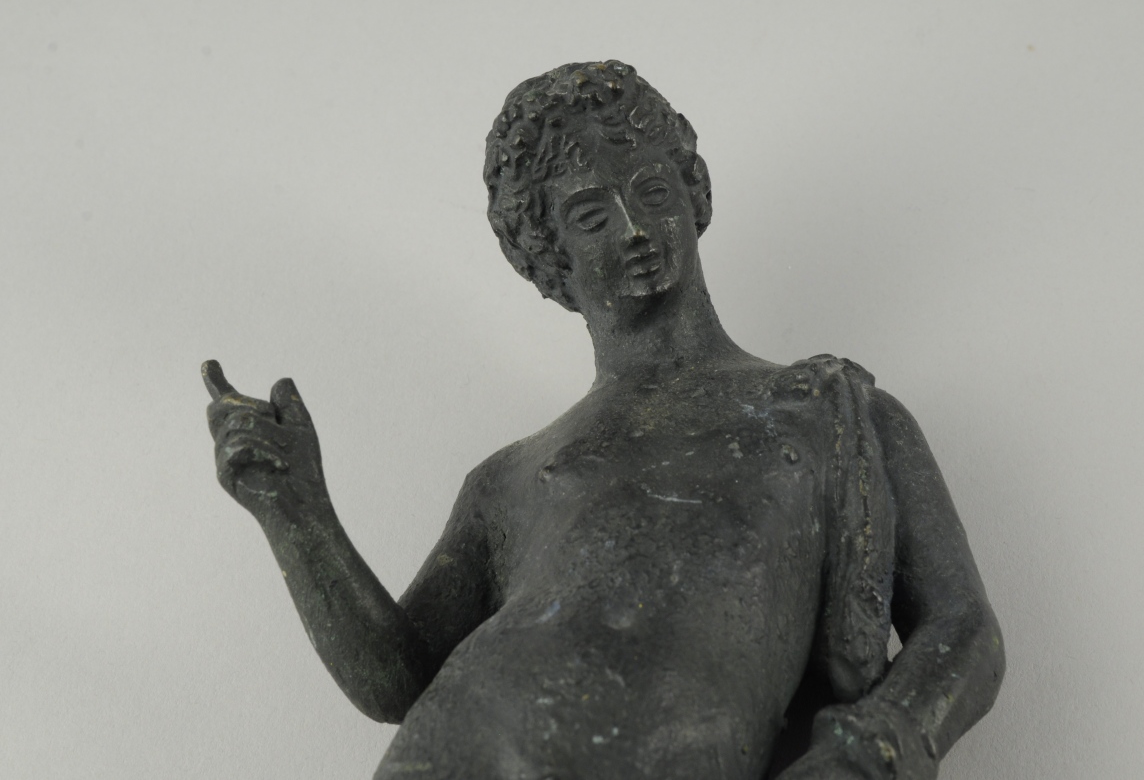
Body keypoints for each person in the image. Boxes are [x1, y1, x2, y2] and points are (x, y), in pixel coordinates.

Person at [203, 60, 1003, 780]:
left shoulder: (826, 408)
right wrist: (294, 509)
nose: (633, 228)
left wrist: (869, 751)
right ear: (550, 255)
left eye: (651, 192)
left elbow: (964, 630)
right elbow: (398, 677)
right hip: (453, 746)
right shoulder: (513, 476)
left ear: (693, 191)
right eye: (591, 216)